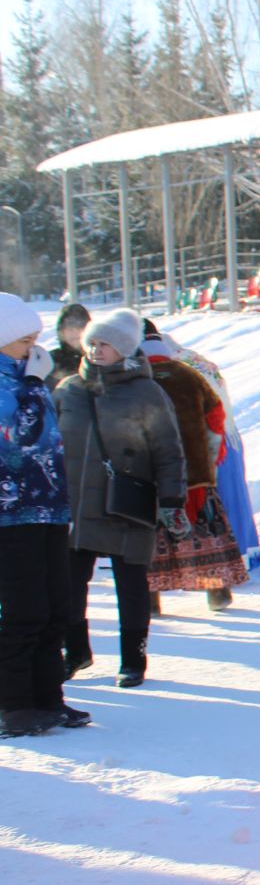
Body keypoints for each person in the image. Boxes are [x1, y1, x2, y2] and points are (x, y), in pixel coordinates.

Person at [55, 308, 188, 689]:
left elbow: (169, 451)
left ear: (126, 349)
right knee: (69, 583)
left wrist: (172, 501)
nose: (96, 350)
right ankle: (75, 650)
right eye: (92, 342)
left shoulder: (148, 393)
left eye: (106, 344)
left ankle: (134, 659)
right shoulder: (68, 391)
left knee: (130, 585)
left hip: (126, 504)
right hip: (76, 503)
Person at [0, 294, 84, 735]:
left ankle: (50, 698)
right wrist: (34, 384)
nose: (33, 348)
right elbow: (23, 434)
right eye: (22, 340)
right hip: (11, 513)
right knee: (24, 611)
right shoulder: (12, 383)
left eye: (34, 339)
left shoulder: (26, 377)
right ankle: (15, 705)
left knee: (57, 607)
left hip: (48, 507)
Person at [141, 322, 249, 609]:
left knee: (151, 540)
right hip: (196, 474)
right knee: (204, 535)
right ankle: (216, 592)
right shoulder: (190, 375)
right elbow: (216, 419)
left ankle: (151, 599)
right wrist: (209, 460)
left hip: (150, 476)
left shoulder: (134, 381)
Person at [48, 303, 88, 389]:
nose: (75, 333)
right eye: (70, 329)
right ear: (61, 331)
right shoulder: (51, 360)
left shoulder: (98, 357)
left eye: (79, 328)